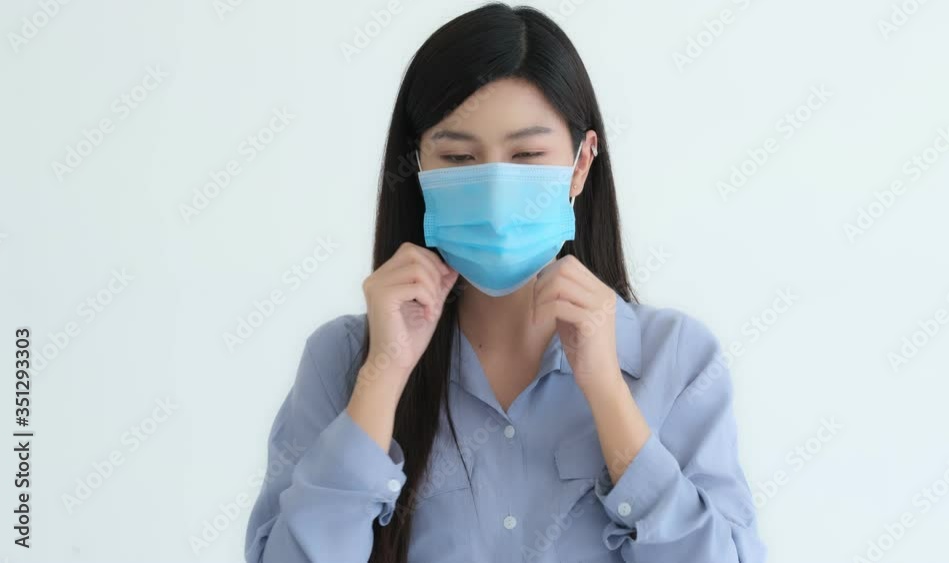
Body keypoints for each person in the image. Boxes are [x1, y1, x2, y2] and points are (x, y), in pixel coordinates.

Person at [245, 3, 766, 562]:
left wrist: (609, 395)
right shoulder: (342, 360)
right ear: (417, 167)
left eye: (526, 155)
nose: (495, 195)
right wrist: (382, 379)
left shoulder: (677, 359)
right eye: (459, 157)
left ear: (581, 164)